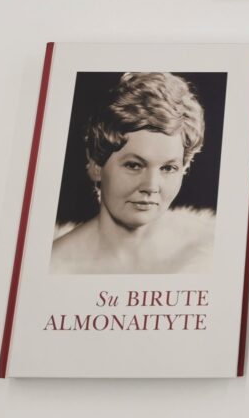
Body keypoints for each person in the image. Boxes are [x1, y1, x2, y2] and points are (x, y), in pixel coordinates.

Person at [50, 72, 215, 274]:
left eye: (168, 168)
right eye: (134, 165)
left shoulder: (206, 252)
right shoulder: (56, 265)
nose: (151, 186)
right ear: (96, 165)